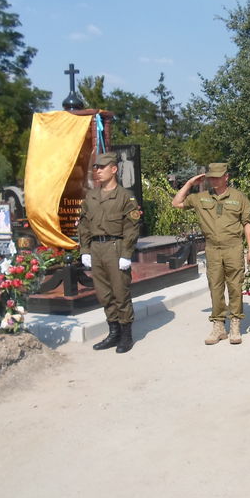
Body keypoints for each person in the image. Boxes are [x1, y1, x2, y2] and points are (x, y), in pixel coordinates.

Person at [172, 163, 250, 345]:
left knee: (235, 286)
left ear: (227, 176)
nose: (214, 180)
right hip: (212, 249)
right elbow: (176, 202)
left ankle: (235, 324)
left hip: (233, 247)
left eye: (218, 176)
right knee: (215, 287)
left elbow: (248, 224)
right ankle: (218, 326)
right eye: (211, 177)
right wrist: (190, 183)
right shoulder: (201, 198)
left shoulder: (239, 197)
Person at [78, 151, 142, 354]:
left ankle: (126, 334)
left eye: (102, 167)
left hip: (116, 248)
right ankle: (113, 332)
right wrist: (85, 250)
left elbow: (132, 227)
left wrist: (126, 253)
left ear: (114, 169)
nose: (97, 171)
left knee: (120, 292)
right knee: (104, 294)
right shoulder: (91, 196)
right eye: (96, 168)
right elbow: (84, 224)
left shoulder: (125, 196)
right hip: (97, 249)